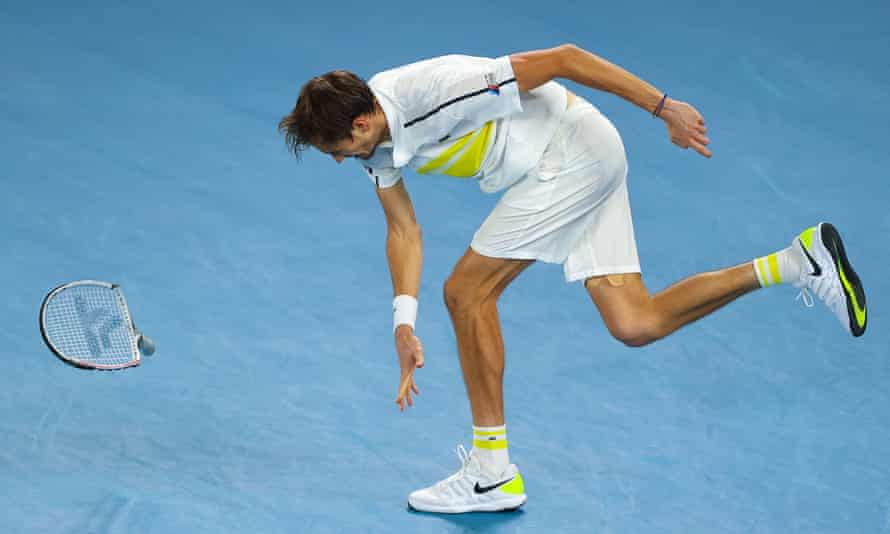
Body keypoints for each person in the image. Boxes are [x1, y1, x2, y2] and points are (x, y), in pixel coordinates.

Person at [278, 44, 867, 514]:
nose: (337, 161)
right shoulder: (373, 141)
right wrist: (403, 324)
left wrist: (665, 108)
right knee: (636, 323)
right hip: (567, 161)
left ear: (360, 122)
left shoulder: (435, 89)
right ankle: (798, 261)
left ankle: (491, 474)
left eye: (336, 150)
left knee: (466, 292)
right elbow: (403, 230)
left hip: (570, 154)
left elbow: (565, 58)